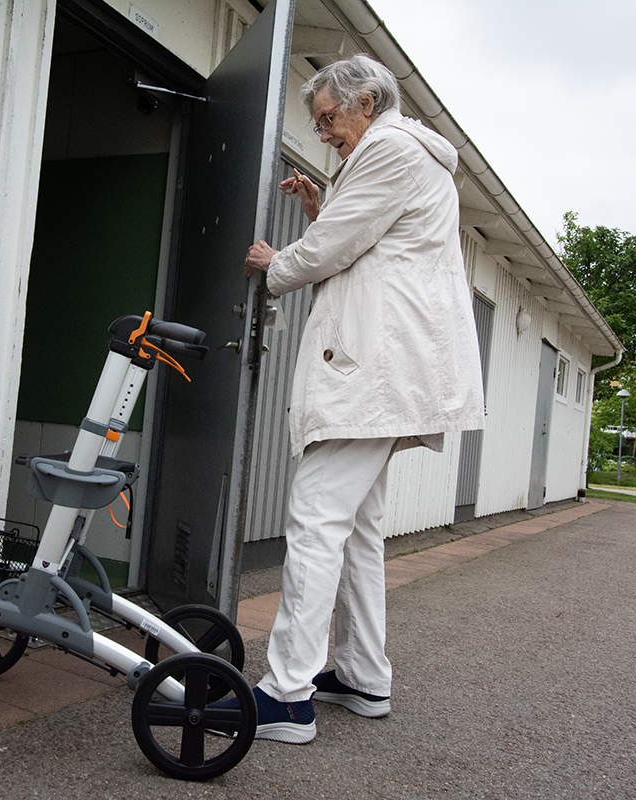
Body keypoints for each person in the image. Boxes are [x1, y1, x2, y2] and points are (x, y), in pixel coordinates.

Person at [240, 54, 485, 744]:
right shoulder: (399, 155)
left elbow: (329, 251)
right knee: (358, 530)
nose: (323, 133)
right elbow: (364, 238)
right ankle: (363, 674)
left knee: (317, 519)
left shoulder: (390, 149)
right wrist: (323, 209)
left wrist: (272, 264)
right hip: (387, 370)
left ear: (368, 100)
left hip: (373, 373)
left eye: (328, 118)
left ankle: (286, 694)